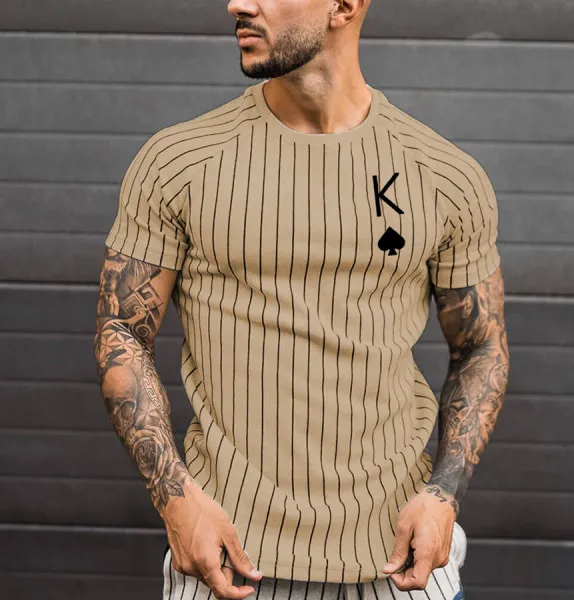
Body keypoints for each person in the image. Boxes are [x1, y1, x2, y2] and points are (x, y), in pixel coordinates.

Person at [93, 0, 510, 599]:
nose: (238, 3)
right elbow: (121, 331)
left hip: (401, 566)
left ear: (345, 5)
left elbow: (482, 347)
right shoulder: (177, 164)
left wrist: (444, 494)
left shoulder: (445, 176)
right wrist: (175, 498)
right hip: (228, 565)